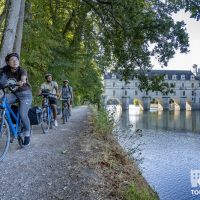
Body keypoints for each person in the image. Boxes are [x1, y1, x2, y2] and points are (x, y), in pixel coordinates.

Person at [0, 53, 32, 146]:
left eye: (16, 60)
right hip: (14, 94)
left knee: (23, 114)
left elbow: (23, 80)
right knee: (2, 100)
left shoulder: (22, 70)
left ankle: (27, 132)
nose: (15, 61)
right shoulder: (5, 71)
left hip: (25, 95)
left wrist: (21, 82)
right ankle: (7, 122)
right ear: (7, 62)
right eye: (12, 60)